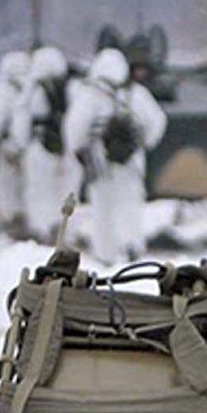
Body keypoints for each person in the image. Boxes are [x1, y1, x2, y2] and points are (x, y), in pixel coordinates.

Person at [64, 47, 167, 265]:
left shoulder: (90, 95)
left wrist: (79, 150)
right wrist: (143, 143)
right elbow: (157, 122)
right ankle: (132, 246)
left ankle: (106, 254)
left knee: (103, 209)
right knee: (130, 205)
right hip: (131, 162)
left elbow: (75, 129)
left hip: (101, 162)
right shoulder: (136, 94)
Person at [12, 45, 75, 244]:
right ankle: (64, 232)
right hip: (66, 150)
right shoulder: (72, 87)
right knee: (65, 192)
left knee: (39, 191)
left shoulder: (32, 89)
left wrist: (21, 144)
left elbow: (21, 123)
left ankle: (42, 231)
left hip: (39, 147)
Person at [0, 50, 30, 239]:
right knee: (25, 189)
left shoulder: (8, 93)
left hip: (7, 150)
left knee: (6, 192)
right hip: (28, 151)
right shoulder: (31, 90)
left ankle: (10, 227)